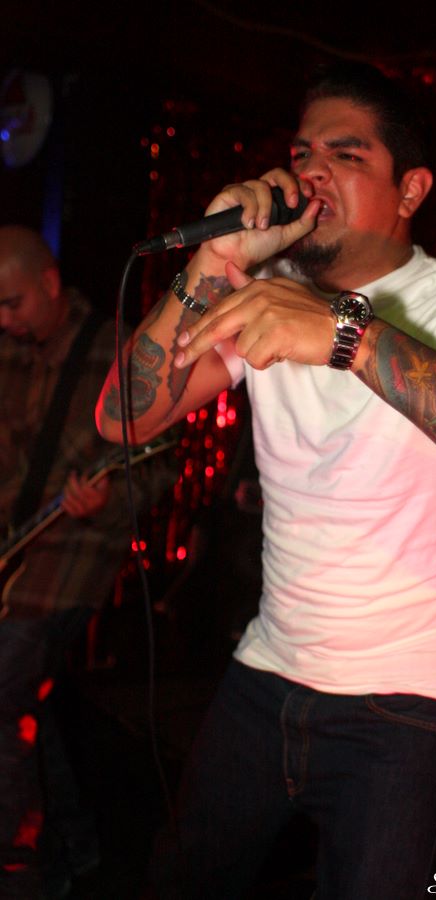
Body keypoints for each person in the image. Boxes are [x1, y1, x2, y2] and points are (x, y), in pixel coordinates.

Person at [96, 63, 436, 899]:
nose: (311, 173)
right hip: (269, 669)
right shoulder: (267, 291)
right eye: (302, 153)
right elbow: (123, 417)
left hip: (411, 699)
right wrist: (214, 258)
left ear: (410, 190)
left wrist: (347, 334)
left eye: (346, 156)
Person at [0, 225, 175, 899]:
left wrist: (104, 499)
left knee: (5, 687)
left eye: (13, 303)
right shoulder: (8, 355)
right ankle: (73, 847)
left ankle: (20, 873)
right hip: (17, 546)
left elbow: (159, 467)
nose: (5, 319)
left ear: (50, 284)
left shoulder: (117, 350)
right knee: (23, 704)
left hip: (75, 553)